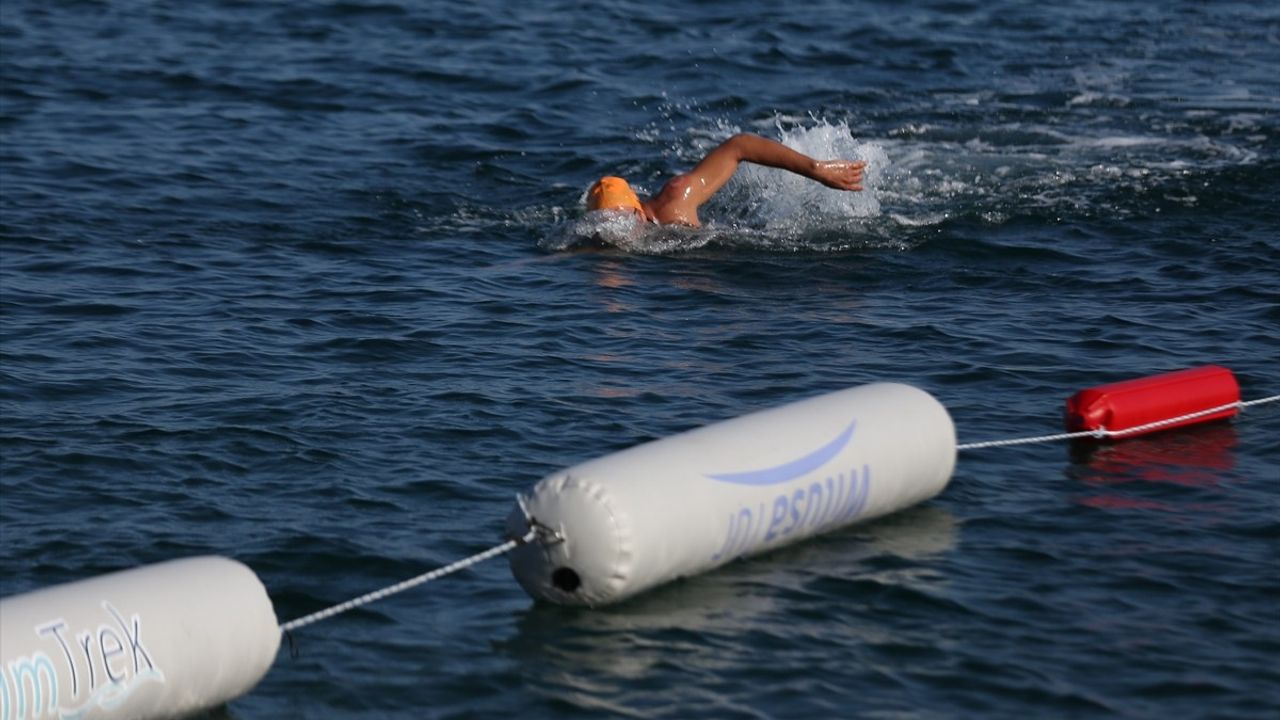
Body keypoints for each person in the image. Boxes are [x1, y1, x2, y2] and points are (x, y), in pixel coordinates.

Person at [585, 133, 867, 227]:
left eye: (622, 221)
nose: (618, 232)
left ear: (637, 210)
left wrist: (815, 168)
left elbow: (739, 146)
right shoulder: (600, 240)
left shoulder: (675, 200)